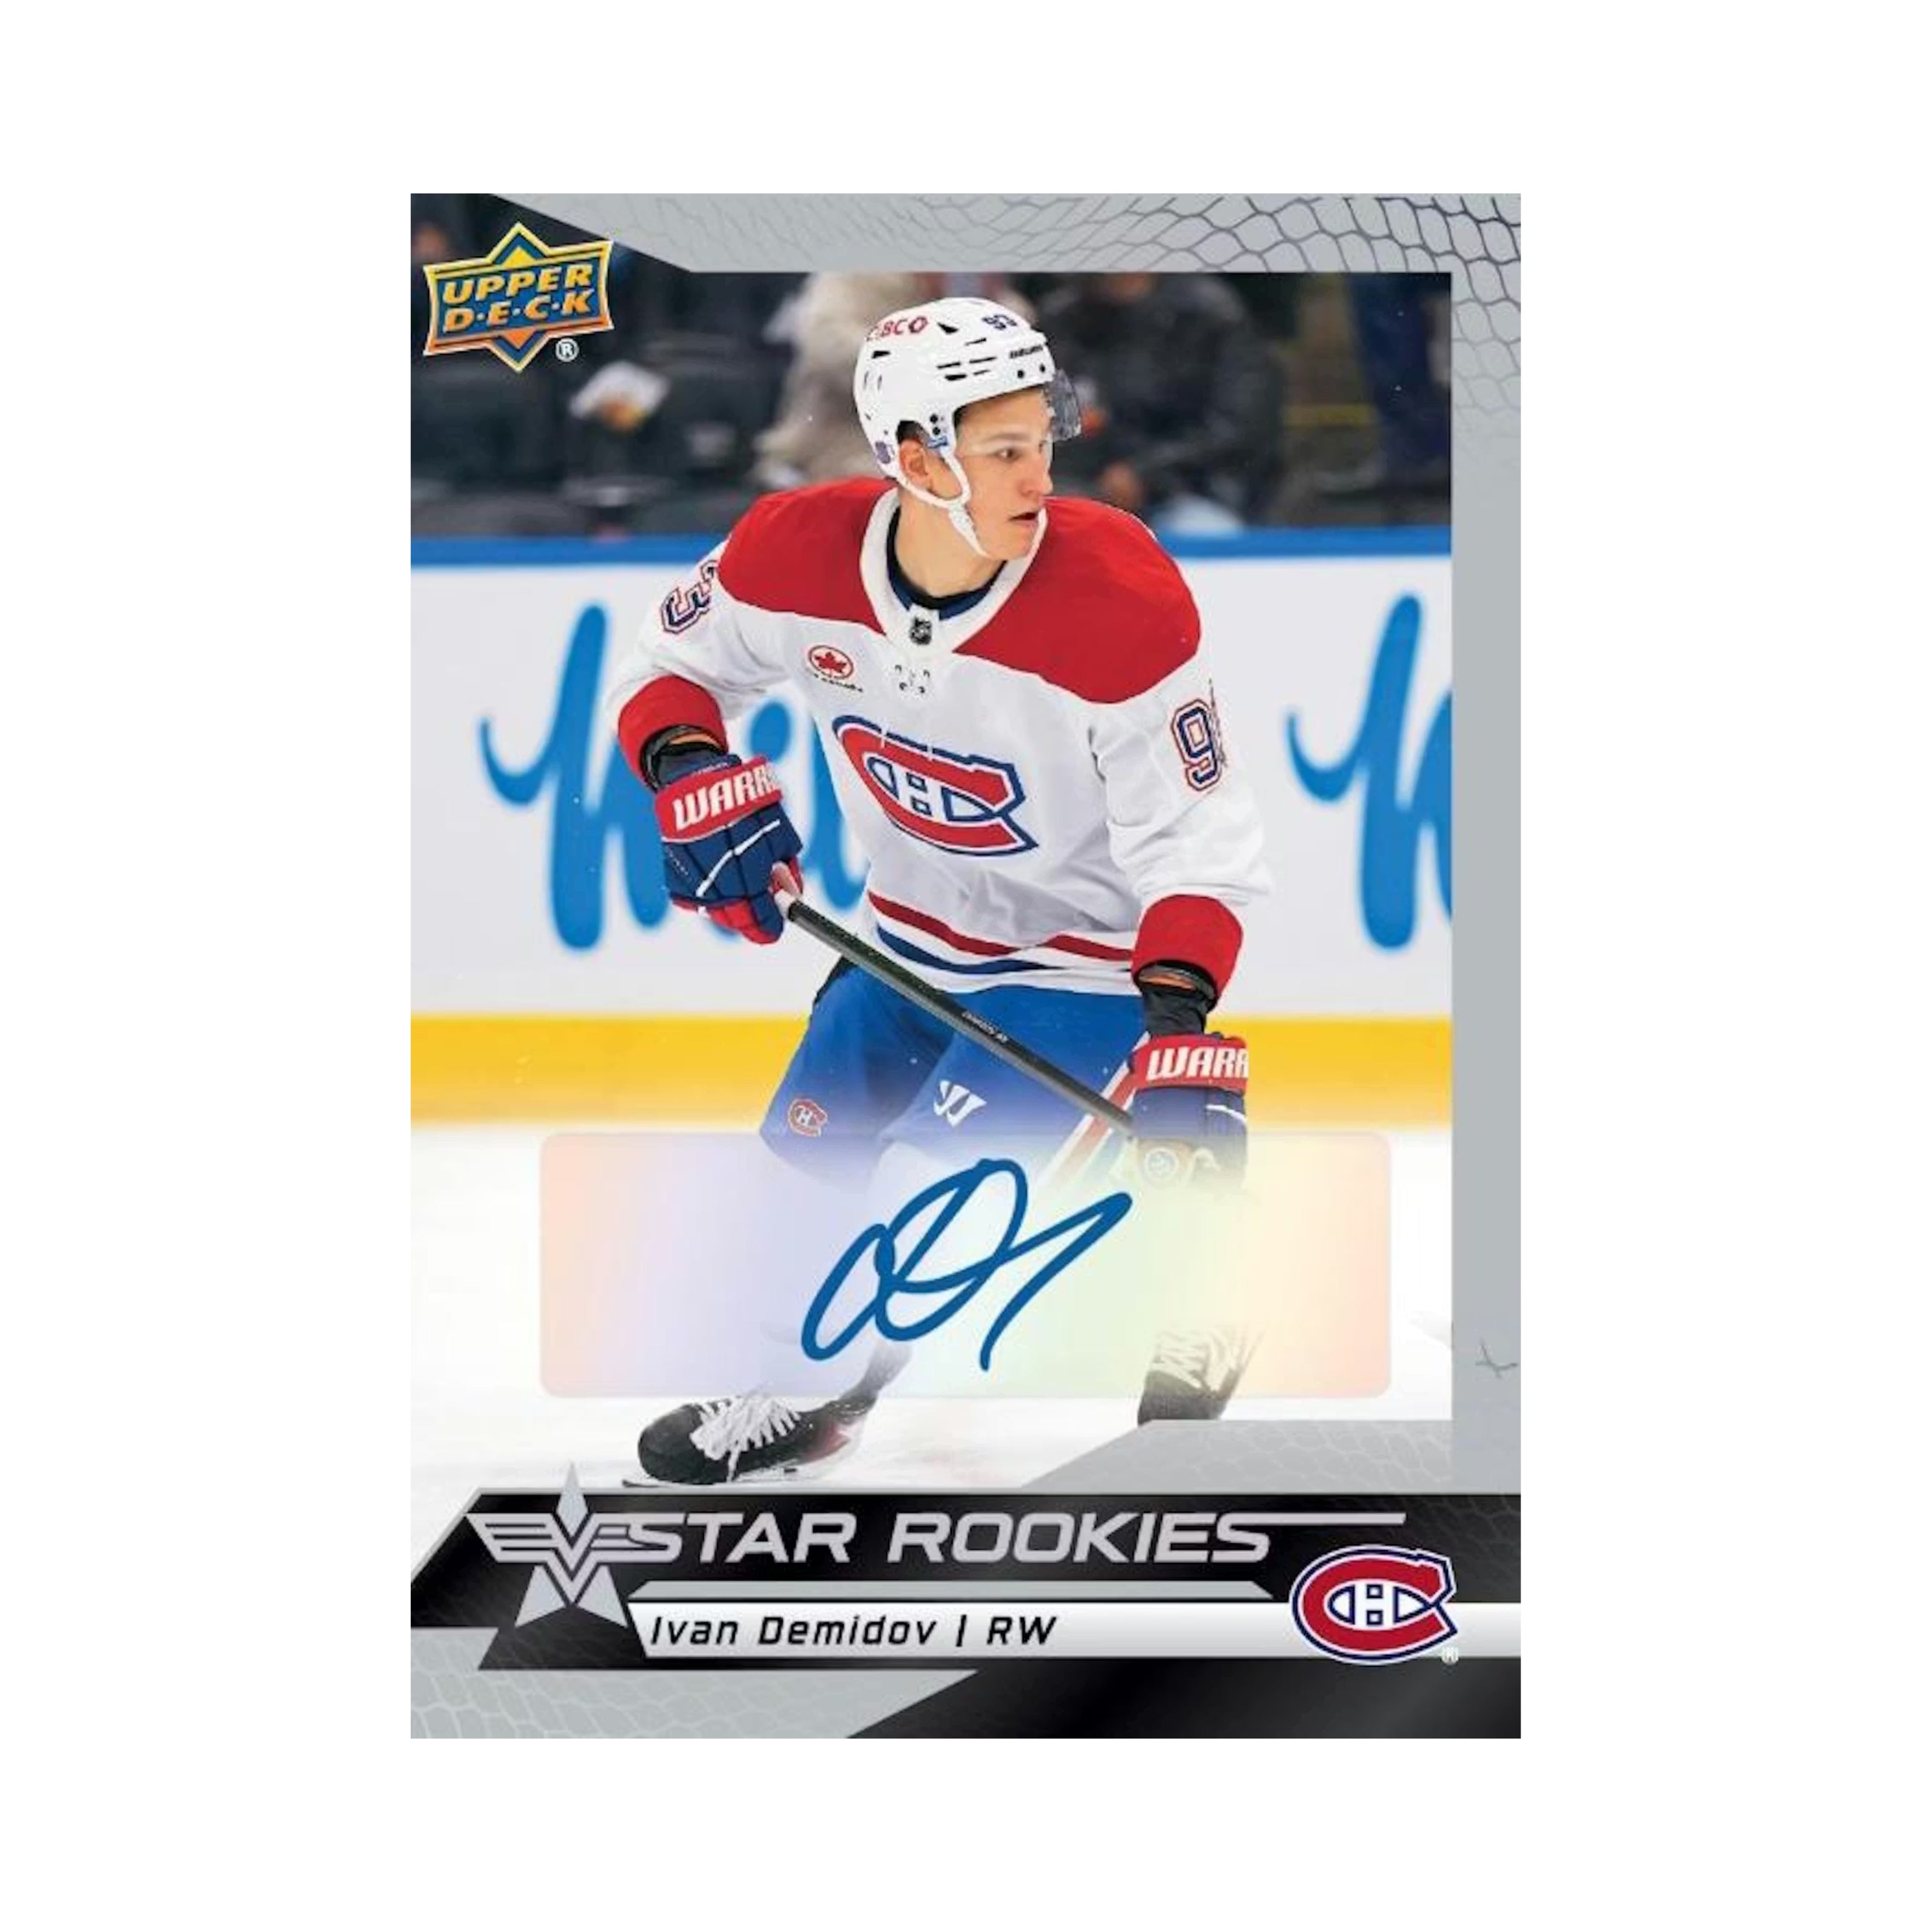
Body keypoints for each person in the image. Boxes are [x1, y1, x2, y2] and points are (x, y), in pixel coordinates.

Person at [603, 297, 1271, 1481]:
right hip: (903, 945)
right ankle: (809, 1388)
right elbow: (669, 666)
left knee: (917, 1206)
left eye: (1042, 441)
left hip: (1081, 974)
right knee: (794, 1185)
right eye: (1004, 449)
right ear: (915, 459)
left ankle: (840, 1388)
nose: (1039, 476)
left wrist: (1173, 1021)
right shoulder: (790, 551)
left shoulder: (1119, 595)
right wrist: (685, 768)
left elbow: (1197, 843)